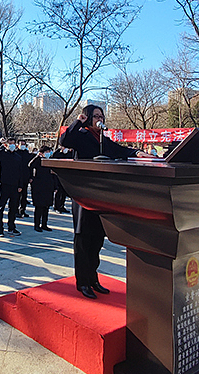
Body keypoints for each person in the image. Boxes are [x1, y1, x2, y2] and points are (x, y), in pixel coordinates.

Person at [60, 105, 148, 299]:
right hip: (84, 194)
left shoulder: (102, 139)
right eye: (95, 116)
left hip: (101, 196)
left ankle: (93, 278)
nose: (99, 119)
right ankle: (82, 282)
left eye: (101, 115)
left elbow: (118, 150)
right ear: (89, 117)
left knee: (97, 239)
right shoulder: (81, 136)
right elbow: (65, 140)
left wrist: (136, 153)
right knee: (83, 239)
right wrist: (78, 121)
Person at [0, 138, 24, 236]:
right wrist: (0, 142)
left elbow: (20, 171)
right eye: (10, 144)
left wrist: (20, 185)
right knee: (1, 207)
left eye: (13, 143)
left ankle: (11, 227)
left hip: (15, 185)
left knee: (13, 208)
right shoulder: (2, 154)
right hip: (4, 184)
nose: (12, 145)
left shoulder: (18, 156)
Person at [29, 146, 56, 232]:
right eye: (47, 151)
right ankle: (37, 224)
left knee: (46, 207)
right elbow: (30, 165)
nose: (48, 153)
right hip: (39, 187)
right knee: (39, 207)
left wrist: (55, 186)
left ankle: (44, 224)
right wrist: (37, 156)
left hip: (48, 187)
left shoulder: (50, 161)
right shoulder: (38, 161)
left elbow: (54, 175)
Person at [16, 141, 34, 218]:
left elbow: (30, 166)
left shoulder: (27, 154)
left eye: (24, 145)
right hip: (17, 178)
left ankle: (22, 210)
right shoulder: (16, 154)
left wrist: (31, 177)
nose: (23, 146)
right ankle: (16, 210)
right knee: (17, 196)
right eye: (21, 144)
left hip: (25, 177)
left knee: (24, 196)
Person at [52, 146, 73, 213]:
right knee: (58, 191)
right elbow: (53, 158)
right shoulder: (58, 153)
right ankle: (56, 206)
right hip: (58, 175)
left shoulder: (69, 154)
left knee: (64, 191)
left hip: (66, 175)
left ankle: (62, 206)